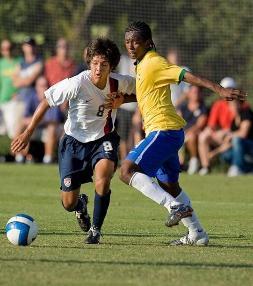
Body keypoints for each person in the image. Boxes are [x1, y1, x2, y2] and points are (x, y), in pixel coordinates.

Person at [109, 21, 246, 246]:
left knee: (125, 171)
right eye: (127, 41)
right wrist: (126, 99)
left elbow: (186, 75)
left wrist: (219, 90)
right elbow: (147, 93)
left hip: (163, 130)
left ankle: (174, 207)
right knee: (170, 186)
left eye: (136, 41)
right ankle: (197, 233)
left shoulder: (154, 62)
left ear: (147, 42)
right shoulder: (141, 64)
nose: (131, 46)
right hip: (169, 133)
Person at [11, 38, 135, 244]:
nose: (98, 68)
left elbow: (145, 91)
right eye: (94, 63)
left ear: (111, 66)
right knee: (68, 203)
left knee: (103, 179)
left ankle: (95, 230)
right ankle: (80, 205)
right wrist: (27, 132)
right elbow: (46, 101)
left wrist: (124, 99)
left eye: (103, 65)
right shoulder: (77, 83)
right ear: (89, 63)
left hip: (103, 139)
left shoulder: (120, 82)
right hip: (73, 143)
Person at [16, 76, 64, 163]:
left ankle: (48, 158)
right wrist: (39, 120)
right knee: (21, 125)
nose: (44, 88)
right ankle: (19, 155)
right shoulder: (32, 98)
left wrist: (36, 120)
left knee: (51, 128)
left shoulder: (53, 99)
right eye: (41, 86)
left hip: (53, 129)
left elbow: (53, 121)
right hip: (37, 128)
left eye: (45, 86)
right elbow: (25, 118)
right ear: (36, 87)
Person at [198, 77, 237, 175]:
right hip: (221, 137)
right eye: (225, 89)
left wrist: (227, 132)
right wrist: (219, 132)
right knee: (203, 136)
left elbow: (240, 127)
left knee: (233, 140)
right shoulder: (218, 105)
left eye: (229, 89)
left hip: (233, 137)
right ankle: (206, 167)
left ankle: (213, 155)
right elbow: (212, 125)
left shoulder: (242, 105)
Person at [208, 100, 253, 177]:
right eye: (231, 105)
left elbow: (243, 134)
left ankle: (237, 167)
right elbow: (228, 144)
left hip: (250, 146)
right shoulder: (233, 122)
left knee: (236, 139)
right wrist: (214, 153)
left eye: (235, 104)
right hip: (242, 150)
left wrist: (230, 135)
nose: (233, 107)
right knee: (225, 155)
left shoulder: (247, 113)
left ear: (240, 105)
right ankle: (248, 169)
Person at [177, 85, 208, 174]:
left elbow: (200, 124)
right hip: (182, 133)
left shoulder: (203, 107)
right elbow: (178, 121)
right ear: (189, 94)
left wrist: (187, 132)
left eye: (198, 92)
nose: (196, 94)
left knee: (192, 136)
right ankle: (179, 164)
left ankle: (193, 161)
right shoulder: (182, 106)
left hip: (194, 133)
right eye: (194, 92)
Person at [0, 39, 21, 139]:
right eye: (4, 48)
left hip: (15, 101)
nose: (7, 51)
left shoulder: (20, 62)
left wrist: (18, 93)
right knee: (2, 130)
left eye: (9, 48)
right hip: (2, 101)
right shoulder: (1, 63)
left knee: (13, 131)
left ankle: (15, 154)